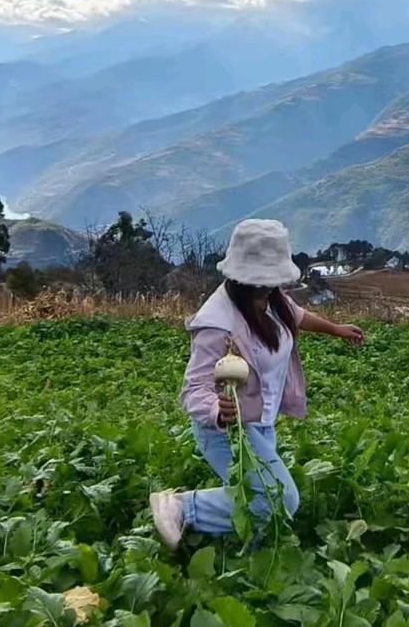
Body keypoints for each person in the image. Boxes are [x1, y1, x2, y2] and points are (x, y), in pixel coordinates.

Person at [150, 218, 364, 548]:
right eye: (263, 280)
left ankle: (252, 556)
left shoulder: (272, 299)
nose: (269, 285)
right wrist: (217, 410)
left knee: (261, 500)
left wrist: (335, 329)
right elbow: (193, 389)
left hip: (260, 422)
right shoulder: (218, 324)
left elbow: (296, 315)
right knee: (279, 499)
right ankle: (182, 508)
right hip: (225, 430)